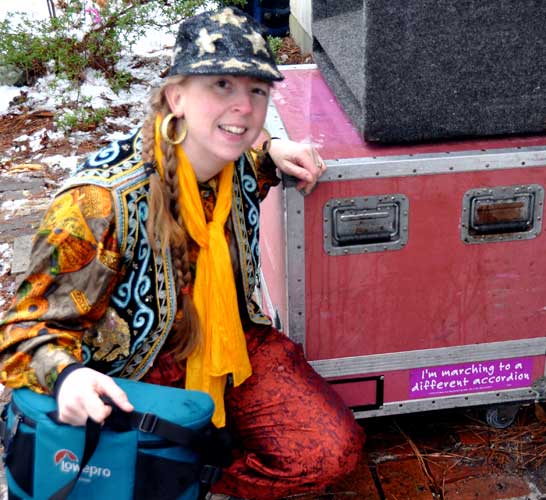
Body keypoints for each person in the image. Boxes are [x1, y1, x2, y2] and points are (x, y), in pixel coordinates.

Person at [0, 7, 364, 500]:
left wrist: (272, 151)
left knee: (326, 452)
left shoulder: (236, 168)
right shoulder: (98, 204)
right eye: (220, 86)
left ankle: (189, 476)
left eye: (256, 91)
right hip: (136, 371)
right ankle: (164, 472)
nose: (243, 107)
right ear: (176, 96)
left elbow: (251, 152)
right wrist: (67, 377)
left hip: (232, 345)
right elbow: (24, 328)